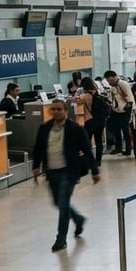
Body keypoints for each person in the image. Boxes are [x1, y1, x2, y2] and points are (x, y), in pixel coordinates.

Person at [31, 98, 100, 253]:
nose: (56, 112)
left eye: (59, 109)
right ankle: (78, 219)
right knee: (58, 202)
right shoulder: (45, 128)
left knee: (63, 204)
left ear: (66, 111)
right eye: (53, 109)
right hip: (52, 171)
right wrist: (35, 166)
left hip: (69, 172)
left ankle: (61, 239)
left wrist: (95, 171)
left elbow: (87, 150)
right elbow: (39, 148)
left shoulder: (75, 129)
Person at [103, 70, 134, 154]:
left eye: (109, 80)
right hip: (116, 110)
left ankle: (128, 149)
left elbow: (129, 97)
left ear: (113, 77)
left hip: (124, 110)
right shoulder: (113, 86)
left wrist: (127, 109)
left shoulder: (123, 84)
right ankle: (118, 147)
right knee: (116, 129)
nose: (109, 82)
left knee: (125, 130)